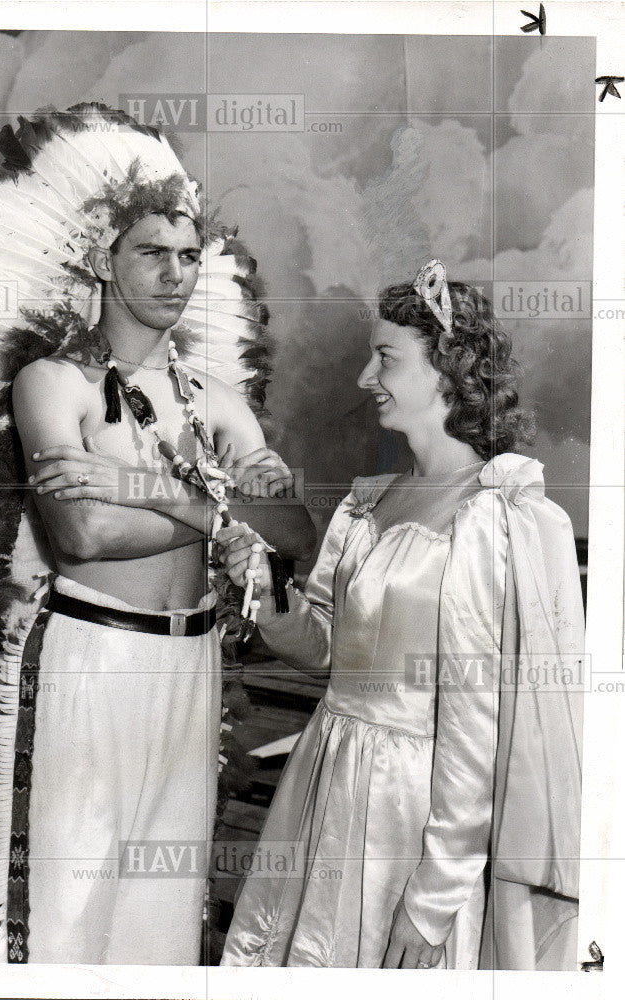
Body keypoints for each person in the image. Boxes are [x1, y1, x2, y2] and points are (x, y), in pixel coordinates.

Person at [0, 178, 315, 962]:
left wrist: (158, 492)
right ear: (103, 259)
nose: (176, 274)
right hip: (94, 657)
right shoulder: (52, 384)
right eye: (153, 253)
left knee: (162, 918)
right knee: (68, 911)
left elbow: (295, 529)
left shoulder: (217, 401)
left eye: (190, 257)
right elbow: (83, 533)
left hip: (193, 662)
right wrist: (215, 508)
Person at [217, 261, 583, 970]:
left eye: (385, 357)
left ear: (448, 370)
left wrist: (435, 895)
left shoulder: (492, 517)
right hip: (328, 774)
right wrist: (261, 585)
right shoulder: (368, 500)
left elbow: (479, 727)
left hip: (413, 812)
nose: (364, 377)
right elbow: (324, 647)